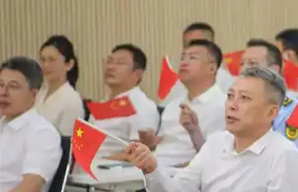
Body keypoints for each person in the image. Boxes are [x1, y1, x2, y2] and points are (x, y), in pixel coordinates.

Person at [123, 67, 298, 192]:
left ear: (271, 112)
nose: (232, 105)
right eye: (230, 96)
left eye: (244, 98)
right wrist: (151, 170)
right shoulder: (215, 143)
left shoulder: (284, 155)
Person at [138, 40, 227, 168]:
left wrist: (194, 131)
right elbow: (167, 143)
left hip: (181, 172)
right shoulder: (173, 104)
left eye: (192, 58)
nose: (184, 63)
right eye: (182, 58)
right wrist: (151, 142)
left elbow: (215, 158)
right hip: (154, 167)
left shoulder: (223, 106)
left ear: (212, 68)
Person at [0, 57, 62, 192]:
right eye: (0, 85)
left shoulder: (42, 133)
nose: (2, 92)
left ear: (34, 95)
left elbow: (29, 189)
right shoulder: (2, 125)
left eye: (13, 87)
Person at [92, 44, 160, 161]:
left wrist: (100, 160)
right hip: (85, 168)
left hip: (112, 169)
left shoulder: (142, 105)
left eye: (120, 63)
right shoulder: (102, 104)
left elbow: (137, 154)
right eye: (109, 61)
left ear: (137, 74)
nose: (110, 67)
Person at [240, 38, 298, 155]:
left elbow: (289, 157)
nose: (244, 70)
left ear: (273, 70)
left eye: (252, 64)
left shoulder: (293, 109)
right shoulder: (236, 103)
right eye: (242, 64)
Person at [161, 22, 236, 102]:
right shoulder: (182, 83)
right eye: (187, 46)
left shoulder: (231, 84)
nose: (191, 49)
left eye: (198, 44)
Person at [35, 35, 85, 135]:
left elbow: (67, 140)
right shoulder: (38, 92)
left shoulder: (72, 100)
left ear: (69, 64)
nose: (46, 65)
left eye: (52, 60)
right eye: (43, 60)